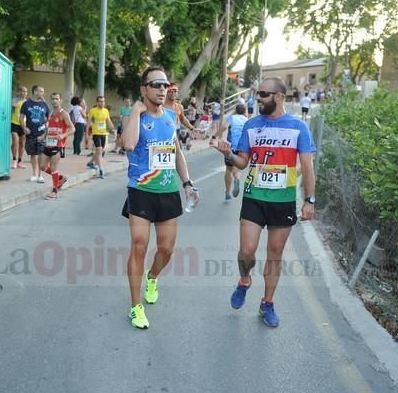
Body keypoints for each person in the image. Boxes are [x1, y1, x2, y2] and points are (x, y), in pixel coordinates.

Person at [212, 76, 316, 327]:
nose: (258, 98)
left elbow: (307, 167)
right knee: (247, 250)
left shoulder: (298, 127)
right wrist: (228, 155)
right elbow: (242, 162)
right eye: (257, 94)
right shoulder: (251, 125)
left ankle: (267, 303)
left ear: (279, 97)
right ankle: (244, 280)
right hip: (254, 197)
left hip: (283, 200)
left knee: (275, 252)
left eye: (263, 94)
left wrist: (309, 200)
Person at [121, 66, 198, 330]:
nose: (162, 89)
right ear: (144, 89)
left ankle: (152, 276)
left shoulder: (169, 118)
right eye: (156, 84)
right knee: (139, 244)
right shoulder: (135, 117)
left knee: (166, 249)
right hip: (141, 190)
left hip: (167, 191)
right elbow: (129, 145)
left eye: (165, 85)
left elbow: (176, 152)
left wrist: (187, 183)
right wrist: (134, 111)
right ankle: (135, 307)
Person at [212, 102, 249, 201]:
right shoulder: (247, 120)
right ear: (244, 111)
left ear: (236, 110)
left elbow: (224, 127)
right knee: (237, 168)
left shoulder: (232, 118)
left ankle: (227, 192)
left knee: (228, 169)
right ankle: (236, 178)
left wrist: (214, 136)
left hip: (230, 147)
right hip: (243, 148)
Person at [41, 93, 74, 200]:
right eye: (53, 99)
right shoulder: (50, 113)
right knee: (42, 166)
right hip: (48, 143)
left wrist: (63, 135)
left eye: (57, 99)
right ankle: (60, 178)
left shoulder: (64, 114)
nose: (54, 101)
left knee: (54, 167)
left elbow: (73, 129)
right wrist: (43, 136)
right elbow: (48, 128)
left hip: (58, 144)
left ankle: (55, 192)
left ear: (61, 101)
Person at [20, 85, 50, 183]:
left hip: (41, 133)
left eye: (43, 91)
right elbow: (21, 117)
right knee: (33, 154)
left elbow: (48, 120)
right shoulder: (26, 104)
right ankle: (34, 174)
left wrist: (45, 133)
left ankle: (40, 175)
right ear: (35, 92)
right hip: (31, 133)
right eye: (41, 91)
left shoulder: (45, 105)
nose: (43, 93)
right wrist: (24, 127)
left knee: (41, 153)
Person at [86, 95, 114, 179]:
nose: (102, 103)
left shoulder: (106, 111)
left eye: (103, 101)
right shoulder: (93, 111)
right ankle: (101, 169)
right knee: (99, 151)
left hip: (103, 133)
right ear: (97, 102)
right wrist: (86, 134)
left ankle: (90, 162)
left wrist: (113, 129)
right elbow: (88, 123)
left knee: (100, 151)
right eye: (100, 101)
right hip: (96, 133)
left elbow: (108, 121)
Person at [10, 85, 28, 169]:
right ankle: (14, 160)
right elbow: (13, 105)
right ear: (19, 92)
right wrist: (17, 101)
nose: (24, 93)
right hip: (14, 123)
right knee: (15, 142)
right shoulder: (15, 100)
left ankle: (20, 161)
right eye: (22, 91)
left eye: (25, 91)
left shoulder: (27, 102)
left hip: (23, 125)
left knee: (22, 143)